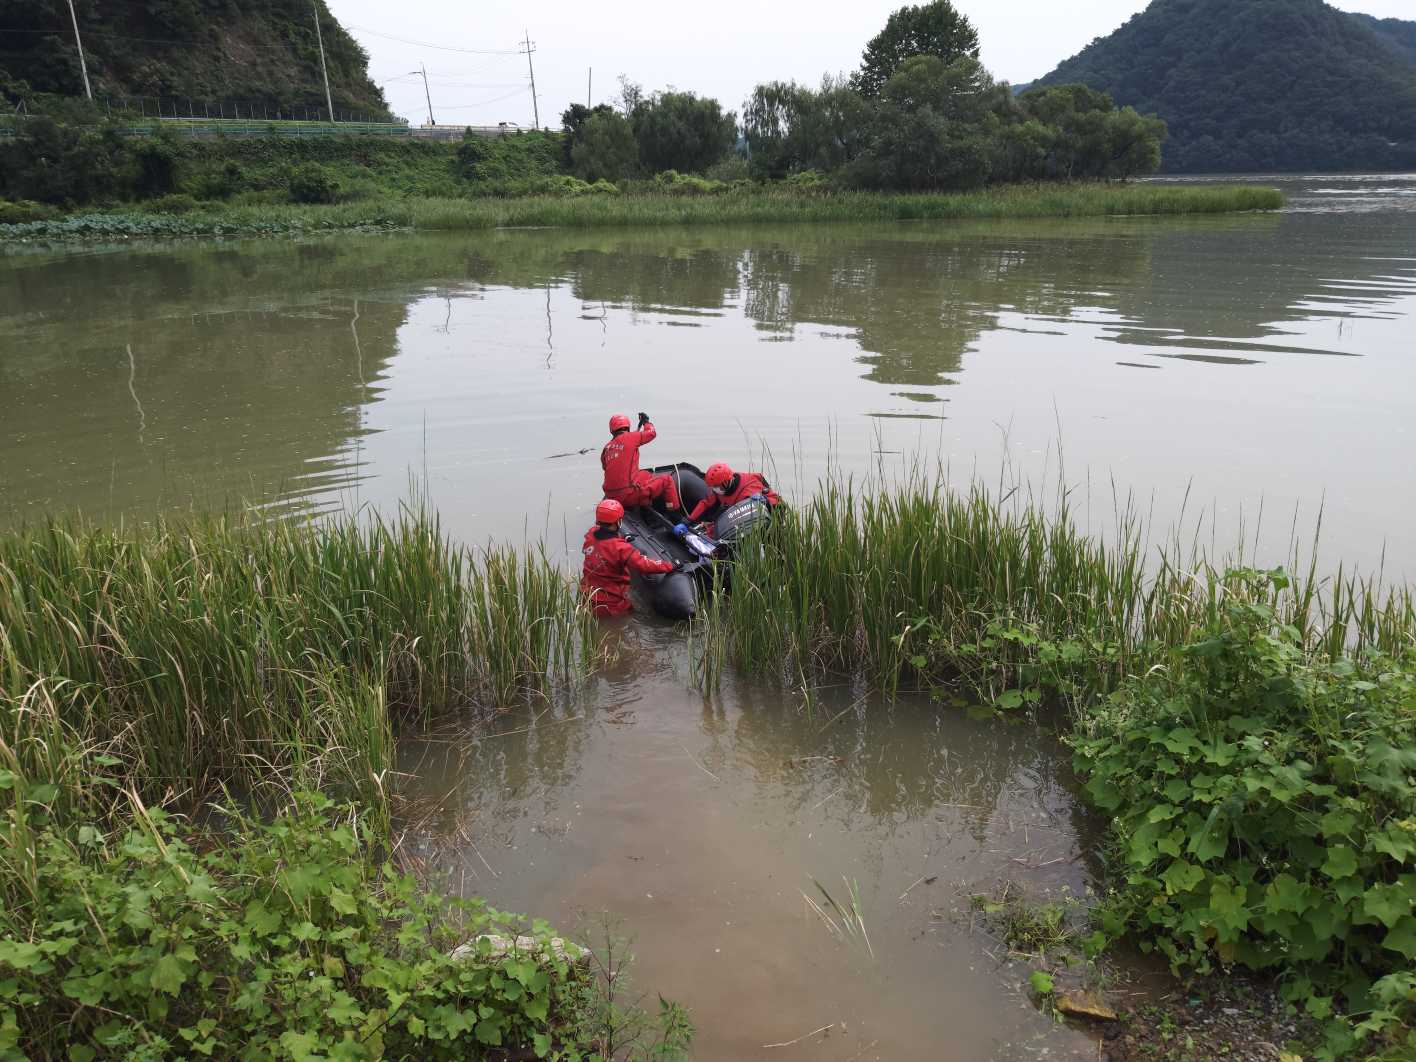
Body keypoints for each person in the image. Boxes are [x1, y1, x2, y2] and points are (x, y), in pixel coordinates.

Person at [580, 498, 678, 618]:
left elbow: (604, 546)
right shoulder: (621, 549)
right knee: (627, 619)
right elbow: (644, 565)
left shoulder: (590, 535)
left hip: (587, 595)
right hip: (611, 603)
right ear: (618, 522)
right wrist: (670, 565)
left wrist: (622, 538)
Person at [601, 412, 682, 514]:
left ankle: (644, 502)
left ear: (611, 430)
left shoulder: (607, 448)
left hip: (610, 496)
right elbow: (651, 433)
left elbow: (606, 467)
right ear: (628, 427)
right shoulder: (632, 437)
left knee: (645, 474)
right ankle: (675, 513)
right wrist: (646, 422)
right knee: (667, 480)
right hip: (627, 496)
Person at [678, 462, 782, 536]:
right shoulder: (720, 489)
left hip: (766, 513)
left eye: (716, 486)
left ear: (727, 481)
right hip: (737, 511)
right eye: (712, 487)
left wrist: (712, 529)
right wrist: (688, 520)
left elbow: (775, 503)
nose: (715, 489)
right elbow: (706, 503)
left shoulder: (748, 489)